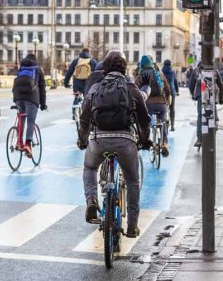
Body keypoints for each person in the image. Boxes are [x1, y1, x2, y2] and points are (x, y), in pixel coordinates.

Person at [77, 51, 151, 238]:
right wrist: (144, 138)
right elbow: (144, 118)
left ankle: (92, 200)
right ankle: (132, 225)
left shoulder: (96, 87)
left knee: (90, 168)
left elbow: (84, 116)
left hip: (99, 140)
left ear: (105, 67)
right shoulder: (131, 88)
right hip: (125, 141)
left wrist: (82, 139)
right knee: (133, 180)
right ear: (125, 68)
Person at [134, 55, 172, 156]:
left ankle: (145, 138)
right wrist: (167, 101)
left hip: (147, 104)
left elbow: (135, 89)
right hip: (161, 104)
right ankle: (164, 143)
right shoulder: (159, 73)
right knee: (163, 122)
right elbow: (167, 89)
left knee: (146, 121)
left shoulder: (141, 74)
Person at [12, 54, 47, 158]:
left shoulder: (21, 69)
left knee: (21, 119)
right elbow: (42, 88)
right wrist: (43, 104)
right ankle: (28, 144)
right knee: (30, 121)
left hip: (18, 97)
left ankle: (19, 142)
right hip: (32, 99)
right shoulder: (38, 70)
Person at [188, 64, 223, 147]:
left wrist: (194, 95)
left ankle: (199, 138)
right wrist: (221, 99)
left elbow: (190, 85)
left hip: (200, 96)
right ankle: (213, 131)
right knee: (213, 114)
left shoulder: (196, 71)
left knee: (201, 116)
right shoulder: (215, 71)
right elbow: (221, 85)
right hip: (212, 96)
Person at [64, 47, 97, 119]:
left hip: (77, 84)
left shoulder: (76, 61)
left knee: (77, 96)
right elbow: (96, 74)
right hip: (88, 84)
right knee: (88, 99)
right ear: (89, 53)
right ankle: (87, 115)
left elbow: (69, 73)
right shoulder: (92, 61)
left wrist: (66, 83)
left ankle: (74, 113)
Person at [161, 59, 180, 131]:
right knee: (172, 108)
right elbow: (175, 82)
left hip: (163, 92)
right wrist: (177, 91)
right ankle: (172, 125)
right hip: (172, 92)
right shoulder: (172, 72)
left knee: (164, 107)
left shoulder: (161, 72)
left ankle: (164, 123)